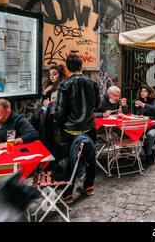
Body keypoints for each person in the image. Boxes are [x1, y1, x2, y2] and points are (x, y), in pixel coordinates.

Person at [0, 96, 39, 221]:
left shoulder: (18, 120)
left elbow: (32, 134)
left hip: (7, 166)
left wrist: (11, 142)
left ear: (8, 112)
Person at [54, 53, 100, 204]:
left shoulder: (64, 85)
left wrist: (57, 125)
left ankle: (67, 193)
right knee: (90, 156)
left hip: (70, 130)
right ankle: (89, 186)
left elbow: (60, 111)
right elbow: (98, 105)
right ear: (82, 66)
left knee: (68, 159)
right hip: (89, 127)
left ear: (67, 67)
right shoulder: (93, 83)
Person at [40, 64, 66, 163]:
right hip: (48, 118)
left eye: (54, 74)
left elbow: (61, 105)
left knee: (57, 144)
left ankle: (58, 165)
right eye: (50, 74)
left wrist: (49, 104)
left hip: (57, 120)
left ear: (60, 75)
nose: (52, 76)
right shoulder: (50, 87)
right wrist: (45, 92)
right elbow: (43, 104)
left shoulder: (62, 87)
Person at [135, 85, 155, 165]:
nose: (142, 93)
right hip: (143, 126)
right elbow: (139, 115)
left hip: (153, 126)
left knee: (150, 135)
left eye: (145, 91)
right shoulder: (140, 101)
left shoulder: (154, 101)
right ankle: (150, 151)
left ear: (149, 93)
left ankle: (148, 155)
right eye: (142, 91)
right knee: (136, 135)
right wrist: (138, 108)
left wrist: (144, 105)